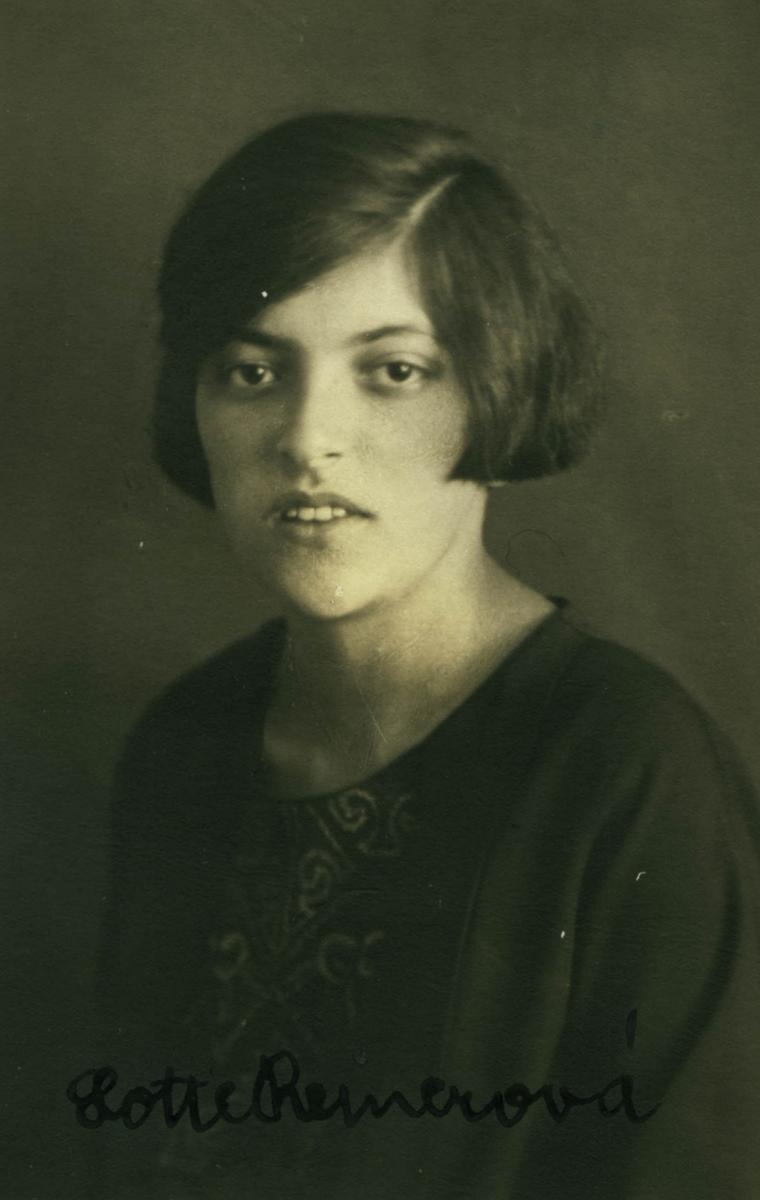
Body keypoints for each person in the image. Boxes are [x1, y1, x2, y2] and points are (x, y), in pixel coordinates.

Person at [81, 113, 760, 1199]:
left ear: (500, 384)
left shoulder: (626, 770)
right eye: (252, 371)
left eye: (393, 370)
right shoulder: (185, 744)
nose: (307, 438)